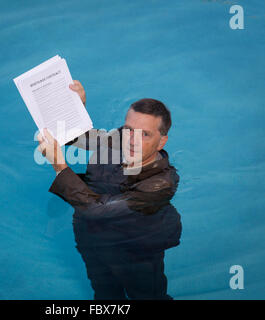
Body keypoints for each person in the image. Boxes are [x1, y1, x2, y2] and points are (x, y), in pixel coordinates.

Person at [37, 80, 182, 300]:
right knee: (105, 297)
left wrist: (60, 165)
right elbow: (76, 137)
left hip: (135, 252)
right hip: (92, 241)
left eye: (145, 134)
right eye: (130, 130)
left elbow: (96, 210)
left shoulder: (161, 184)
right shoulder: (120, 139)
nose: (132, 140)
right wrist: (76, 109)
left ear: (161, 142)